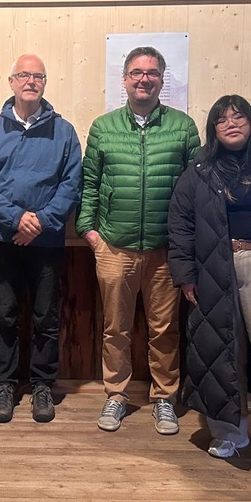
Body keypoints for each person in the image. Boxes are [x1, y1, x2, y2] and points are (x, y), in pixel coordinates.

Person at [76, 46, 200, 434]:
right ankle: (116, 395)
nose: (143, 78)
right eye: (136, 72)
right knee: (116, 328)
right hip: (115, 247)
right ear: (124, 79)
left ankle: (164, 397)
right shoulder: (103, 126)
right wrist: (89, 231)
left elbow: (197, 187)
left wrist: (189, 242)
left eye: (151, 72)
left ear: (162, 79)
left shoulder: (183, 127)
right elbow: (90, 184)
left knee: (166, 329)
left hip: (167, 250)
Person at [0, 54, 82, 424]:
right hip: (4, 238)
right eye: (24, 75)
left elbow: (71, 184)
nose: (30, 81)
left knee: (46, 317)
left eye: (38, 76)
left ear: (45, 83)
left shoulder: (63, 132)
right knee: (3, 315)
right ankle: (5, 385)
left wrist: (42, 222)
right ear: (11, 81)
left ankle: (42, 385)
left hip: (48, 241)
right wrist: (17, 218)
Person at [169, 95, 251, 458]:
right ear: (213, 129)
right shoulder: (200, 172)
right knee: (222, 350)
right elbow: (180, 225)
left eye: (238, 117)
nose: (231, 124)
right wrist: (186, 275)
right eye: (222, 120)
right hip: (213, 267)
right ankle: (229, 433)